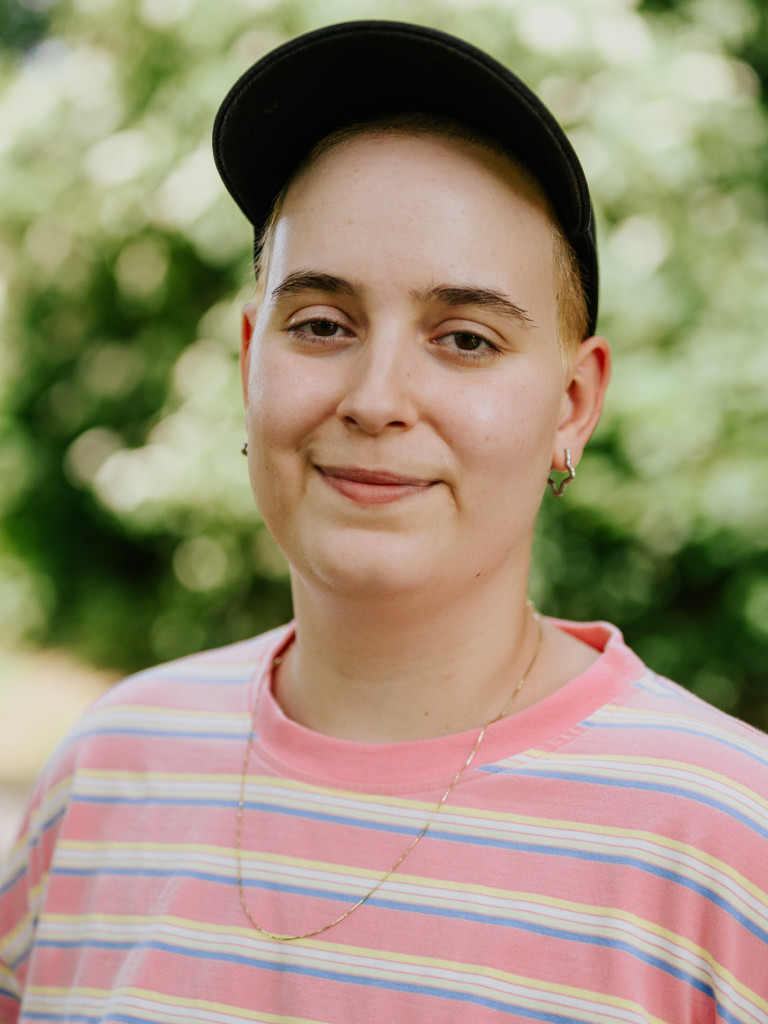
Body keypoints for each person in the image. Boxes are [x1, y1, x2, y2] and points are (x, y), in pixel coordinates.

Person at [1, 19, 767, 1022]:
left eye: (465, 337)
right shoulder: (105, 773)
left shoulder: (727, 841)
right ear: (249, 360)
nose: (376, 396)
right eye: (321, 323)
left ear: (572, 405)